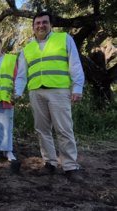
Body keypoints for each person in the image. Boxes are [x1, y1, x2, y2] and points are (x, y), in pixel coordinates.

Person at [15, 11, 85, 182]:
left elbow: (74, 64)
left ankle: (70, 166)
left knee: (64, 129)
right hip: (36, 92)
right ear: (32, 27)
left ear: (50, 24)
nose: (41, 25)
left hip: (59, 91)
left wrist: (77, 87)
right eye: (37, 23)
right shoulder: (27, 49)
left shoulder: (64, 39)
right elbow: (22, 75)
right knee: (42, 130)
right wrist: (17, 93)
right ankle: (50, 163)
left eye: (44, 22)